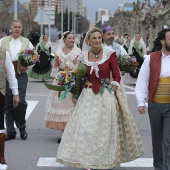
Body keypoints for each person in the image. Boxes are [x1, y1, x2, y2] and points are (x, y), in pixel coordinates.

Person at [56, 27, 144, 169]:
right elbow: (80, 77)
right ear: (88, 41)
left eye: (99, 38)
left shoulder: (110, 54)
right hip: (88, 95)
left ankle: (103, 161)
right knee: (86, 129)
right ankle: (87, 162)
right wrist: (75, 92)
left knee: (103, 131)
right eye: (94, 38)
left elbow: (116, 75)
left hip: (106, 95)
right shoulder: (83, 57)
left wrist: (113, 88)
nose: (97, 40)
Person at [136, 28, 170, 170]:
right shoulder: (151, 58)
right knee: (157, 140)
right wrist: (141, 102)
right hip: (155, 104)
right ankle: (159, 166)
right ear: (163, 41)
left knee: (168, 140)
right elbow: (143, 80)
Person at [45, 31, 82, 143]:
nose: (71, 40)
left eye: (73, 38)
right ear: (64, 39)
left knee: (73, 106)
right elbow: (55, 68)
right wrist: (54, 82)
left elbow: (80, 68)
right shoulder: (58, 53)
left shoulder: (79, 53)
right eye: (69, 38)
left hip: (74, 81)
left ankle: (72, 133)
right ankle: (63, 134)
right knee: (62, 106)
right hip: (61, 82)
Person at [0, 20, 34, 141]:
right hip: (6, 75)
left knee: (20, 102)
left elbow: (34, 56)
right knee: (8, 103)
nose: (17, 29)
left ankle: (22, 127)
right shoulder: (3, 41)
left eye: (19, 27)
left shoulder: (26, 42)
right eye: (15, 27)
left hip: (20, 74)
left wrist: (28, 65)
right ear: (10, 28)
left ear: (22, 29)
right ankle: (10, 131)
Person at [0, 47, 19, 170]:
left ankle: (1, 158)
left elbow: (11, 74)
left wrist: (15, 93)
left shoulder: (3, 53)